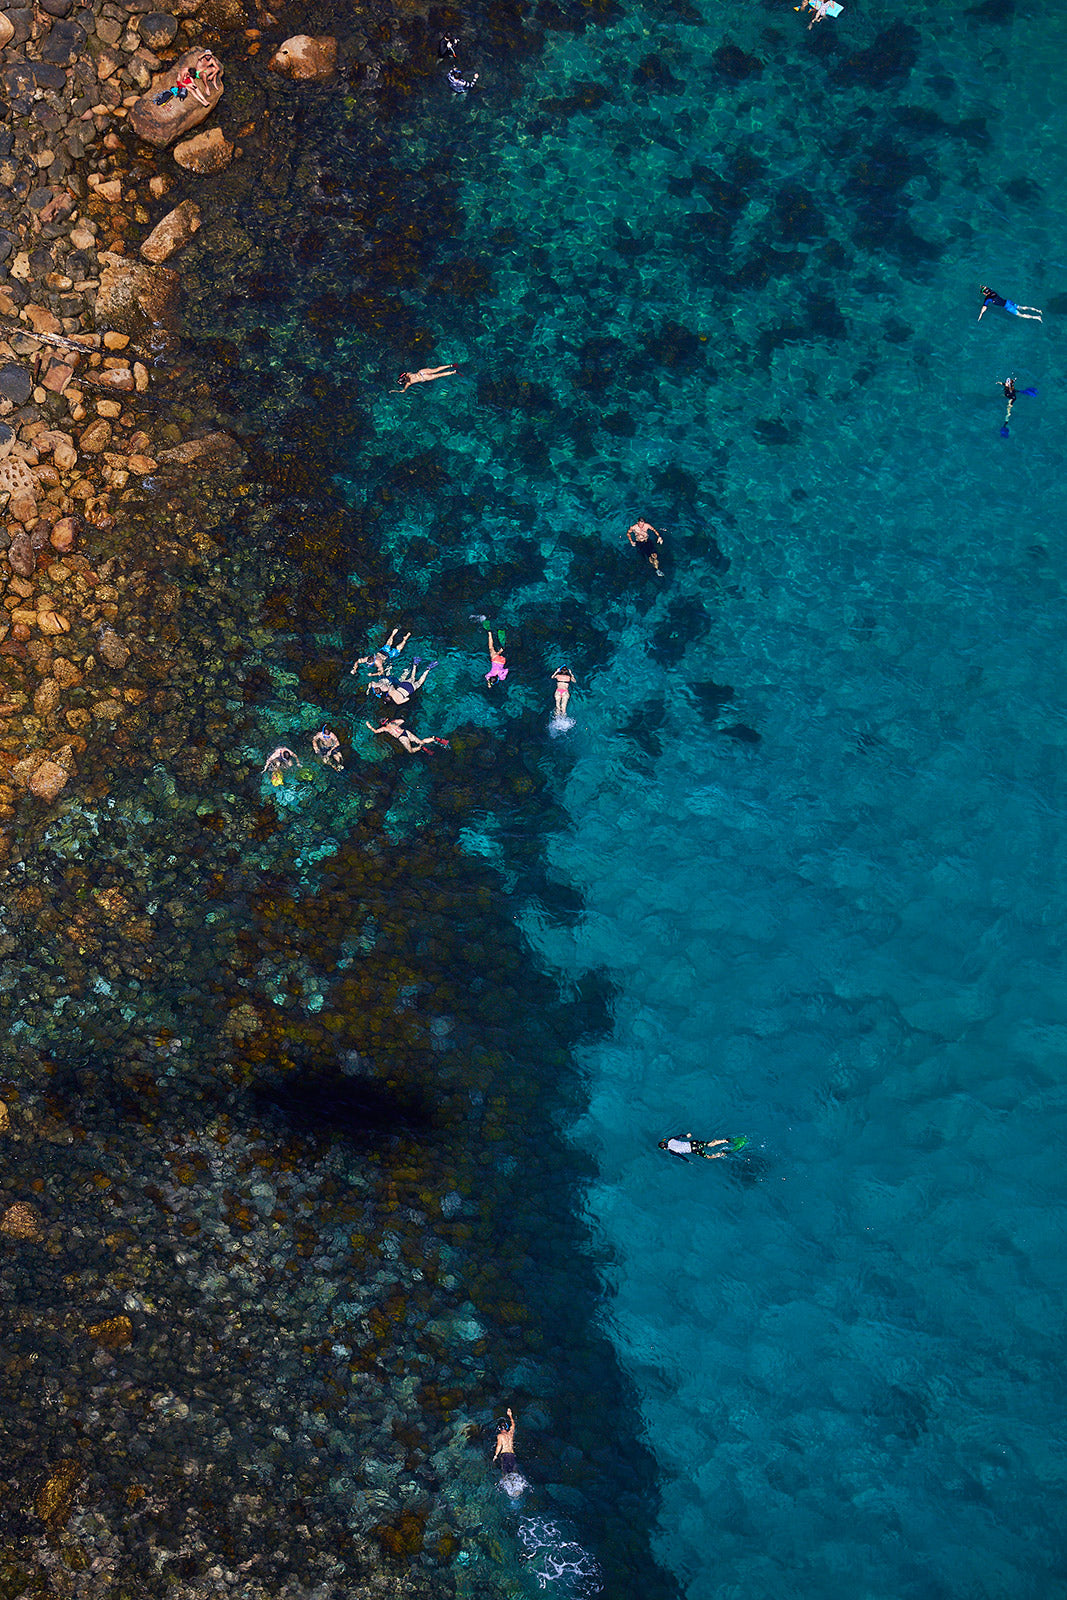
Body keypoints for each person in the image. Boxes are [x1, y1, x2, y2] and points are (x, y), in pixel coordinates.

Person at [367, 660, 436, 706]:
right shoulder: (390, 692)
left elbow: (407, 699)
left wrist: (403, 696)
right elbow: (392, 686)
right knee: (412, 677)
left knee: (420, 682)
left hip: (409, 689)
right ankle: (415, 664)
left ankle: (428, 669)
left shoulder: (398, 702)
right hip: (403, 685)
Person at [366, 718, 448, 753]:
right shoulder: (394, 722)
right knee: (421, 741)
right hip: (406, 732)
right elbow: (402, 721)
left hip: (402, 738)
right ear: (387, 720)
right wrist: (394, 722)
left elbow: (376, 731)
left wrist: (369, 726)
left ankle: (420, 748)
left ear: (382, 724)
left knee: (411, 751)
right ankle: (433, 738)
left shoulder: (385, 728)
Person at [978, 286, 1042, 323]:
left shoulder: (987, 298)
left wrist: (981, 314)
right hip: (1008, 302)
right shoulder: (992, 291)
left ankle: (1036, 317)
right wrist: (982, 287)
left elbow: (984, 307)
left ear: (984, 293)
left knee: (1021, 315)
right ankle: (1037, 310)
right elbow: (986, 287)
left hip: (1008, 307)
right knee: (1022, 307)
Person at [658, 1134, 732, 1163]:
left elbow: (680, 1156)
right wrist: (686, 1135)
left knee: (708, 1157)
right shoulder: (671, 1139)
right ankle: (725, 1140)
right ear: (665, 1142)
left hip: (694, 1149)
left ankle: (721, 1154)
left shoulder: (671, 1151)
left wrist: (688, 1161)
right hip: (693, 1142)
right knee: (709, 1144)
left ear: (664, 1148)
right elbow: (679, 1136)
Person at [392, 365, 458, 393]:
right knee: (436, 369)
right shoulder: (407, 374)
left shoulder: (409, 383)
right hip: (421, 372)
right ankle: (451, 365)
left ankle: (453, 372)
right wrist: (401, 376)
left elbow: (403, 391)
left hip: (424, 378)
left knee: (439, 375)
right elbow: (404, 373)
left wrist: (394, 391)